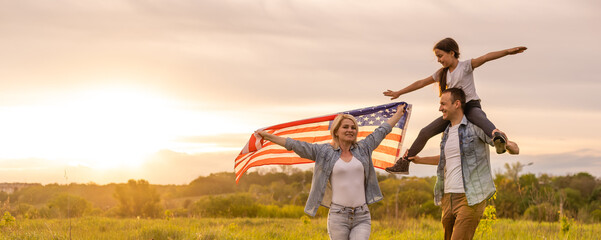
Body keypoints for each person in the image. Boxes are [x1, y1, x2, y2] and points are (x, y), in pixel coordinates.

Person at [255, 104, 407, 240]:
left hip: (362, 215)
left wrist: (399, 114)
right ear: (336, 130)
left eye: (353, 128)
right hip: (338, 216)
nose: (350, 130)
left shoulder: (363, 148)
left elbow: (382, 131)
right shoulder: (324, 152)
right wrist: (268, 136)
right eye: (345, 127)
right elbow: (295, 145)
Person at [384, 37, 526, 174]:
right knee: (425, 132)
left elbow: (486, 57)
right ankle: (404, 162)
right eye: (437, 57)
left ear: (452, 53)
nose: (439, 60)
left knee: (480, 118)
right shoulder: (442, 73)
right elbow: (421, 82)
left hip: (470, 105)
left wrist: (507, 52)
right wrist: (400, 92)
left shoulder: (465, 66)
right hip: (453, 111)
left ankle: (497, 137)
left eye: (440, 56)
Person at [410, 88, 519, 240]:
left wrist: (508, 145)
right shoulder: (446, 132)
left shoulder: (476, 129)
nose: (440, 108)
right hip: (448, 197)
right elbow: (446, 158)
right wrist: (420, 159)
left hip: (470, 198)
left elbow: (509, 146)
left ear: (457, 104)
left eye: (443, 104)